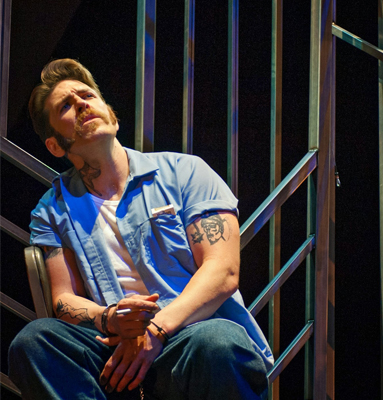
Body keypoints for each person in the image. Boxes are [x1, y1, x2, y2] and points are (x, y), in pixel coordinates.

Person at [8, 58, 273, 400]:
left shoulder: (185, 172)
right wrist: (110, 318)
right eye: (66, 106)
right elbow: (63, 299)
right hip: (114, 352)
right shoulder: (52, 209)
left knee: (219, 341)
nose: (82, 104)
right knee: (35, 342)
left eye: (87, 95)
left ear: (112, 115)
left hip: (189, 337)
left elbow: (223, 271)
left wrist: (157, 330)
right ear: (55, 145)